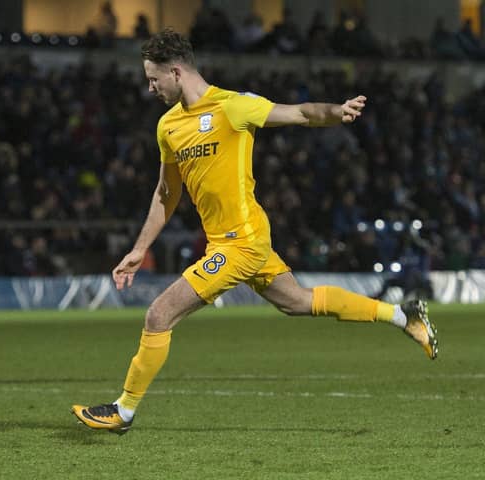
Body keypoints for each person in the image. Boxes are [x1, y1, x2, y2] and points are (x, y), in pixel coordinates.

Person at [71, 28, 438, 435]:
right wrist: (140, 249)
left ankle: (123, 411)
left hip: (240, 242)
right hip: (237, 241)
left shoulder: (233, 106)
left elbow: (299, 113)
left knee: (159, 314)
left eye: (154, 79)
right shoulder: (168, 126)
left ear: (176, 72)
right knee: (298, 301)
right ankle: (403, 315)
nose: (150, 87)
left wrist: (338, 112)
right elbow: (164, 193)